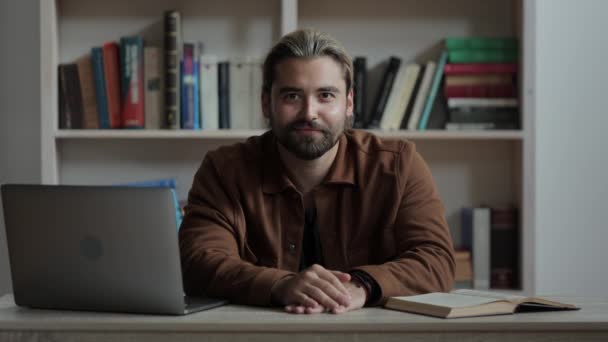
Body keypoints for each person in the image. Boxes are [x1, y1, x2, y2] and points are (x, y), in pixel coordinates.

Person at [179, 29, 455, 315]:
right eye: (292, 96)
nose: (309, 112)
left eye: (325, 95)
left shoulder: (398, 165)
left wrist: (361, 287)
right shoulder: (224, 170)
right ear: (265, 102)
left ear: (348, 103)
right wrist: (280, 284)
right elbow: (197, 262)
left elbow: (436, 261)